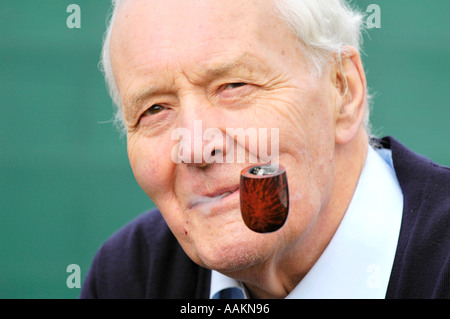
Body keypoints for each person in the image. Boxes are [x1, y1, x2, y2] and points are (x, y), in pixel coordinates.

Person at [80, 0, 449, 299]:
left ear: (343, 91)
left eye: (234, 85)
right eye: (155, 110)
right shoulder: (129, 276)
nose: (195, 146)